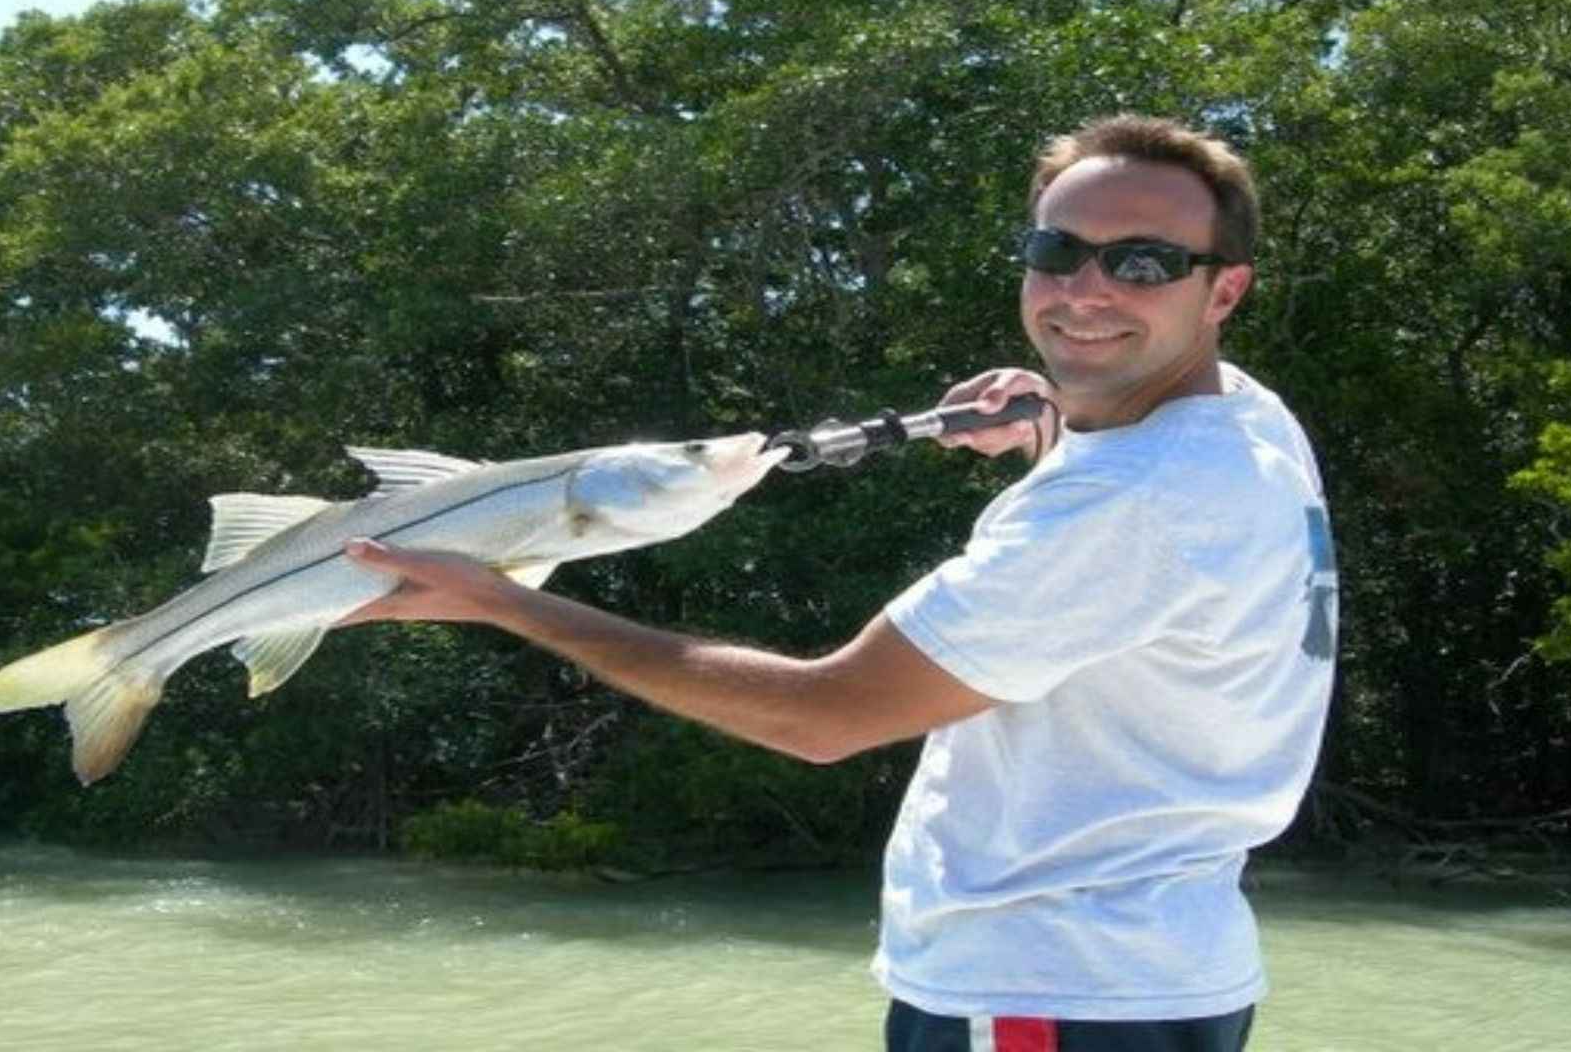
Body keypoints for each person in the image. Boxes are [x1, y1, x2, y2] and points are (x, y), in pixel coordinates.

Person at [342, 114, 1337, 1052]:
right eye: (1055, 251)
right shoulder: (1244, 425)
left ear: (1223, 292)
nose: (1084, 289)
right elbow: (1139, 527)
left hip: (1042, 991)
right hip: (1157, 977)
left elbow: (822, 718)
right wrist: (1047, 421)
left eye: (1142, 263)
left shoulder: (1133, 503)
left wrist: (505, 602)